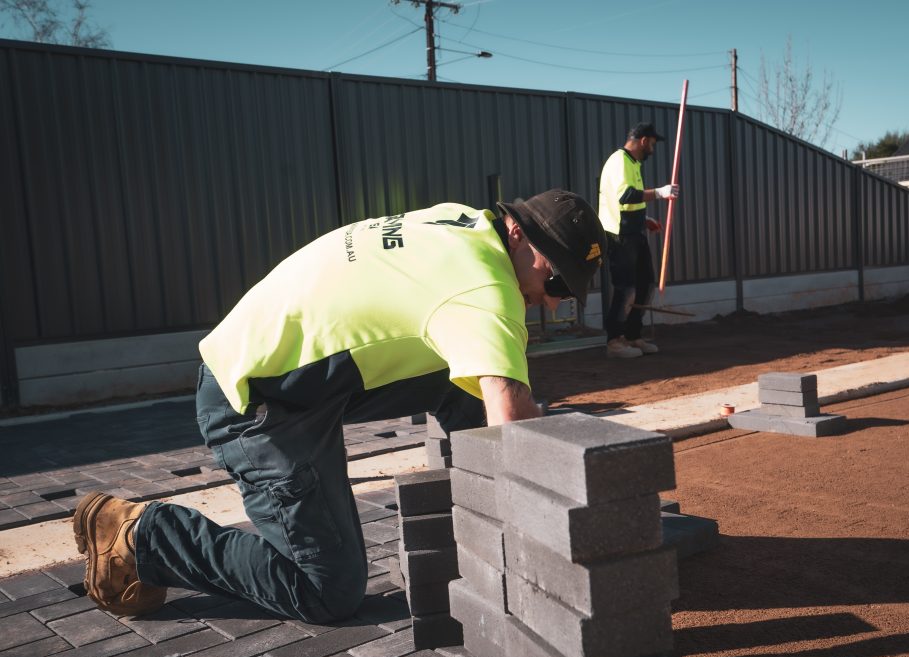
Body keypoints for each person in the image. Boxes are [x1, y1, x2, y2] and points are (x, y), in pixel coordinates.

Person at [72, 189, 607, 623]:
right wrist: (563, 543)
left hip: (295, 372)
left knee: (458, 379)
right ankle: (148, 535)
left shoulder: (461, 220)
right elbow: (514, 422)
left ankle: (470, 513)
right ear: (517, 233)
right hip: (256, 403)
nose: (554, 299)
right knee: (327, 591)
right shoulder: (484, 290)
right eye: (554, 278)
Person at [598, 122, 678, 359]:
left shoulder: (632, 164)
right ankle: (614, 341)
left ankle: (633, 336)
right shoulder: (620, 160)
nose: (653, 149)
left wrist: (644, 219)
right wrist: (660, 193)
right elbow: (625, 195)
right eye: (652, 144)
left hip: (633, 232)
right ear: (644, 141)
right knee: (625, 288)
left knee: (645, 284)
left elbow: (629, 202)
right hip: (619, 234)